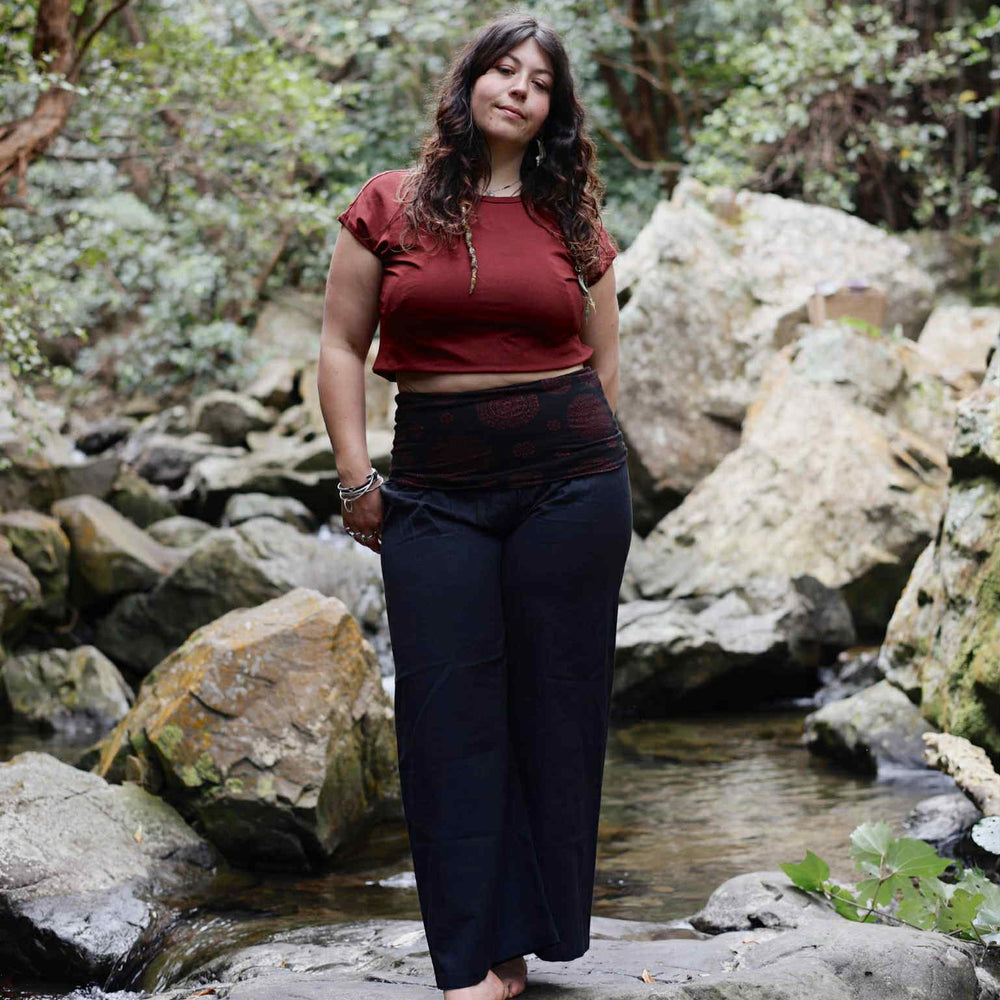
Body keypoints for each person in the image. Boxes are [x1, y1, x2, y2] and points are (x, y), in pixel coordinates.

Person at [317, 12, 632, 1000]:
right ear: (469, 85)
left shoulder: (571, 220)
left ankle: (522, 948)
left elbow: (606, 359)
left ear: (553, 112)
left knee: (557, 709)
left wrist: (597, 468)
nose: (518, 90)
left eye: (539, 83)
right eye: (502, 70)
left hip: (569, 484)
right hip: (435, 489)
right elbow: (339, 347)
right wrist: (357, 476)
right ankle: (472, 958)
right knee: (449, 713)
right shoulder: (389, 205)